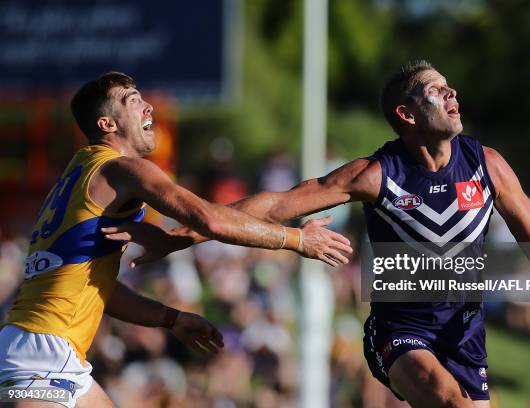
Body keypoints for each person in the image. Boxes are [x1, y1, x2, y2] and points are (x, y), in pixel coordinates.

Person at [103, 61, 530, 408]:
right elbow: (277, 205)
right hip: (400, 332)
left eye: (450, 86)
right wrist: (183, 235)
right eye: (435, 89)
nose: (451, 94)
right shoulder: (376, 174)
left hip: (465, 333)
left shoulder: (487, 164)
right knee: (453, 405)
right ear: (406, 115)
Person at [0, 72, 352, 408]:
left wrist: (171, 319)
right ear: (107, 124)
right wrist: (296, 240)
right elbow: (210, 219)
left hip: (46, 350)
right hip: (41, 355)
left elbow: (101, 290)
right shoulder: (122, 169)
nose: (148, 107)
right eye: (133, 100)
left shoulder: (78, 175)